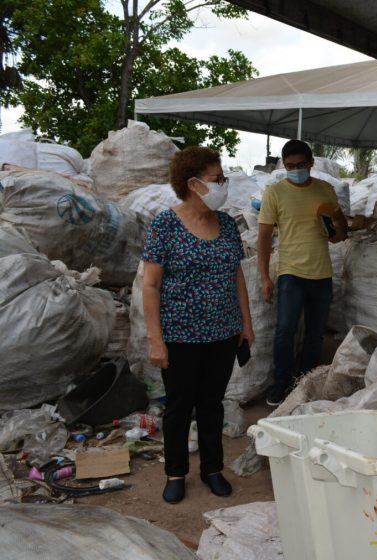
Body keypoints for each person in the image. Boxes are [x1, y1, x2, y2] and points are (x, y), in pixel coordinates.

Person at [142, 146, 254, 505]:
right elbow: (151, 285)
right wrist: (156, 340)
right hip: (180, 336)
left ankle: (212, 469)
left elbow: (236, 275)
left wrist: (245, 324)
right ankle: (176, 473)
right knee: (178, 406)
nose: (223, 184)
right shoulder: (165, 225)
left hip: (222, 334)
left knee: (212, 404)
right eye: (217, 178)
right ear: (193, 183)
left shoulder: (226, 224)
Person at [257, 140, 348, 407]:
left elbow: (340, 230)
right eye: (290, 166)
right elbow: (263, 238)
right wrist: (264, 277)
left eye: (300, 165)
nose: (295, 170)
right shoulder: (274, 193)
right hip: (291, 273)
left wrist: (337, 229)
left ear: (311, 163)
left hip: (321, 274)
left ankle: (304, 382)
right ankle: (280, 384)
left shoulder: (325, 190)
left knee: (315, 333)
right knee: (285, 331)